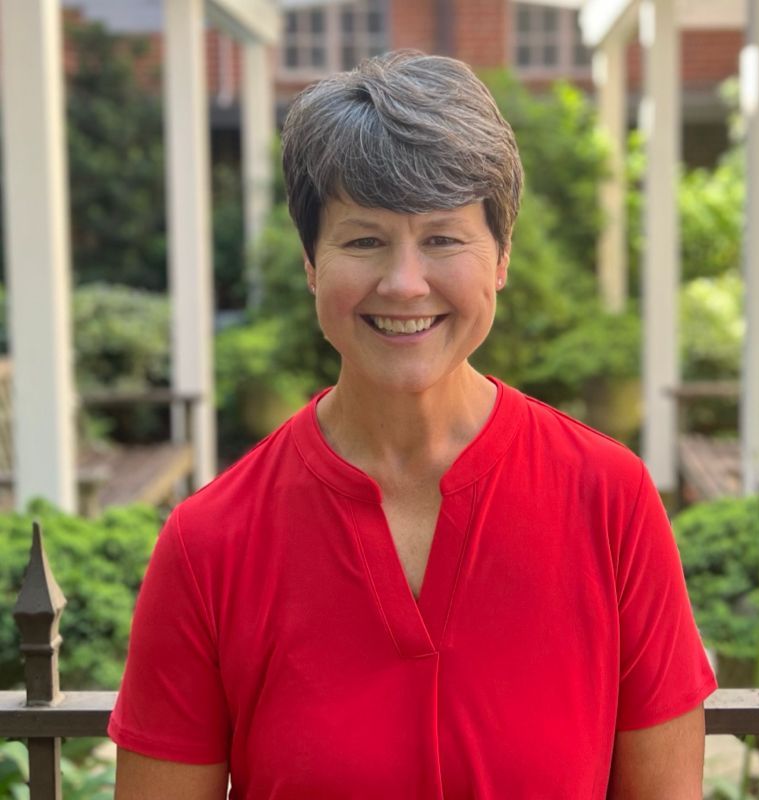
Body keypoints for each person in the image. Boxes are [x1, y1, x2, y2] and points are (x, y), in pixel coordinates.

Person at [110, 51, 716, 799]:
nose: (403, 283)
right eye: (364, 239)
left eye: (443, 238)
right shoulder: (210, 544)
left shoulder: (610, 501)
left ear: (501, 258)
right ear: (310, 262)